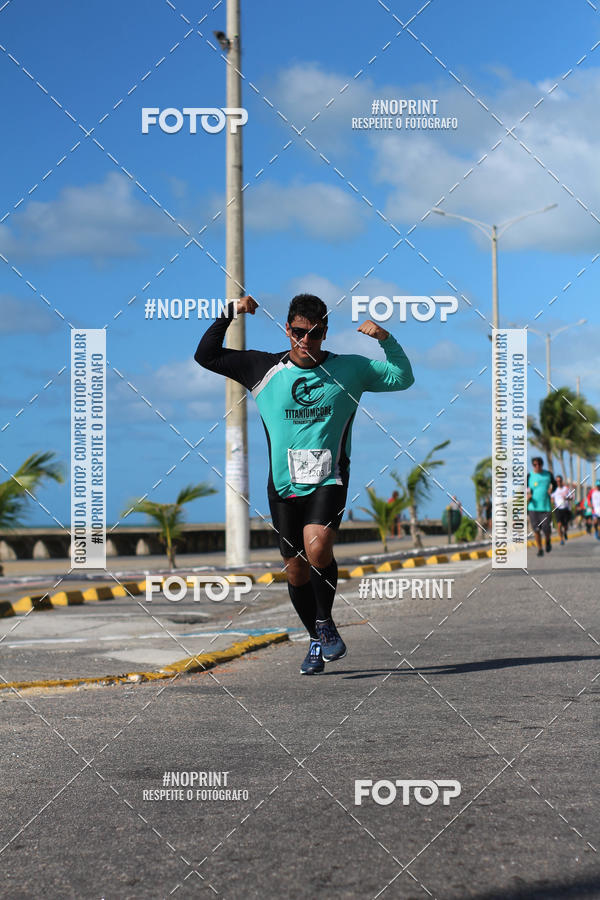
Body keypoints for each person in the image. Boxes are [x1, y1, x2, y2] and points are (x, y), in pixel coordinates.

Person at [195, 293, 414, 674]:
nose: (305, 341)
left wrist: (385, 339)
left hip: (329, 477)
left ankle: (325, 622)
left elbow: (402, 377)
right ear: (288, 329)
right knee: (294, 569)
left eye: (313, 334)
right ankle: (316, 636)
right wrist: (230, 313)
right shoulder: (262, 368)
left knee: (318, 547)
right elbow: (207, 355)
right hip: (282, 486)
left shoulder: (350, 370)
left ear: (324, 334)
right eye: (298, 333)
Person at [527, 456, 557, 558]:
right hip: (533, 507)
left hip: (545, 507)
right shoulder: (529, 476)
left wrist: (551, 490)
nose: (537, 466)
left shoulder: (548, 475)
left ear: (542, 465)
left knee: (546, 528)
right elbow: (525, 488)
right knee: (536, 530)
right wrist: (528, 495)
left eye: (539, 464)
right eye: (535, 464)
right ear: (533, 465)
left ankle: (547, 541)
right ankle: (540, 549)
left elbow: (555, 485)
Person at [552, 475, 573, 545]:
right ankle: (561, 539)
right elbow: (552, 497)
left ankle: (565, 532)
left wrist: (567, 498)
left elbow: (571, 498)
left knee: (565, 526)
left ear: (562, 481)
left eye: (559, 481)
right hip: (558, 509)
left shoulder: (566, 489)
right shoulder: (555, 489)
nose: (558, 482)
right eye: (557, 481)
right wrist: (552, 503)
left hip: (565, 509)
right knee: (559, 525)